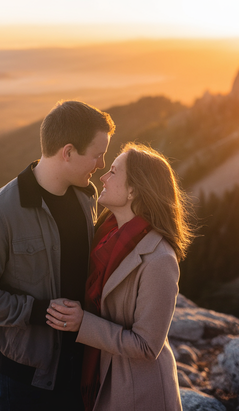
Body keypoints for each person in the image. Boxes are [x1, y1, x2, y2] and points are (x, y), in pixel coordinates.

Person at [0, 100, 115, 411]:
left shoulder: (87, 196)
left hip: (82, 364)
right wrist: (40, 311)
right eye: (97, 155)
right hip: (28, 379)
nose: (101, 164)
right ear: (68, 152)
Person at [46, 142, 193, 411]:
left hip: (137, 391)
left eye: (113, 172)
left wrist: (82, 323)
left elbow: (148, 345)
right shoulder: (104, 236)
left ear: (133, 190)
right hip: (102, 374)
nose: (103, 176)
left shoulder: (159, 259)